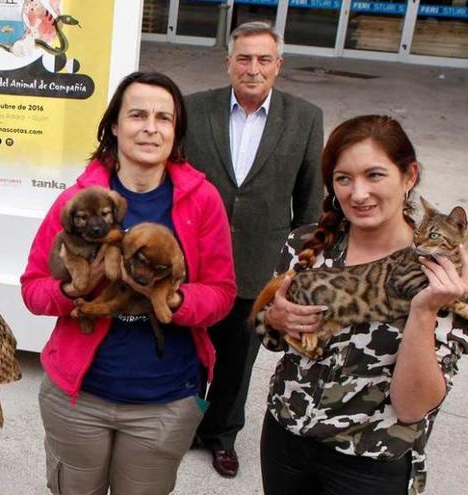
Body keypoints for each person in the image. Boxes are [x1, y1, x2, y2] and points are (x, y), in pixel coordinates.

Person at [21, 71, 237, 494]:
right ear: (114, 126)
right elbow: (33, 288)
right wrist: (74, 289)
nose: (151, 128)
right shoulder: (77, 199)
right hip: (81, 397)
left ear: (176, 131)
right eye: (137, 115)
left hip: (165, 400)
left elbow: (222, 293)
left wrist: (168, 297)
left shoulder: (202, 199)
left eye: (164, 118)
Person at [254, 115, 468, 494]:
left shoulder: (446, 277)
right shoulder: (306, 244)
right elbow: (272, 341)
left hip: (371, 460)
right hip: (286, 436)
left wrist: (423, 312)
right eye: (344, 179)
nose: (358, 194)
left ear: (409, 177)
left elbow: (412, 408)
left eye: (374, 175)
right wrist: (274, 318)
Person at [183, 21, 324, 478]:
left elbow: (310, 201)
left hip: (259, 262)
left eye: (264, 59)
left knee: (237, 361)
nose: (253, 68)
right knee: (188, 350)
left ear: (278, 66)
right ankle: (181, 426)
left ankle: (221, 436)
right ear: (228, 62)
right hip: (198, 260)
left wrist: (298, 271)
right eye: (243, 58)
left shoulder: (304, 117)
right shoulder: (193, 109)